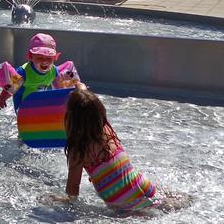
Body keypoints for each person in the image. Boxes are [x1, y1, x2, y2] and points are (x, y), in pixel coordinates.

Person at [60, 86, 188, 213]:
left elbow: (73, 187)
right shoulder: (106, 130)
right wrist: (81, 87)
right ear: (100, 113)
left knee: (144, 213)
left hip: (123, 204)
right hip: (144, 186)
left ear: (71, 119)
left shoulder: (77, 150)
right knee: (176, 203)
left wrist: (66, 201)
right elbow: (88, 105)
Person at [0, 33, 78, 111]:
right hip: (23, 106)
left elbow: (66, 83)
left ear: (55, 58)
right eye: (40, 58)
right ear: (30, 56)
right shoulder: (23, 72)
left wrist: (77, 88)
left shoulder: (54, 71)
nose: (44, 61)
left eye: (49, 58)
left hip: (39, 102)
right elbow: (9, 88)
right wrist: (2, 99)